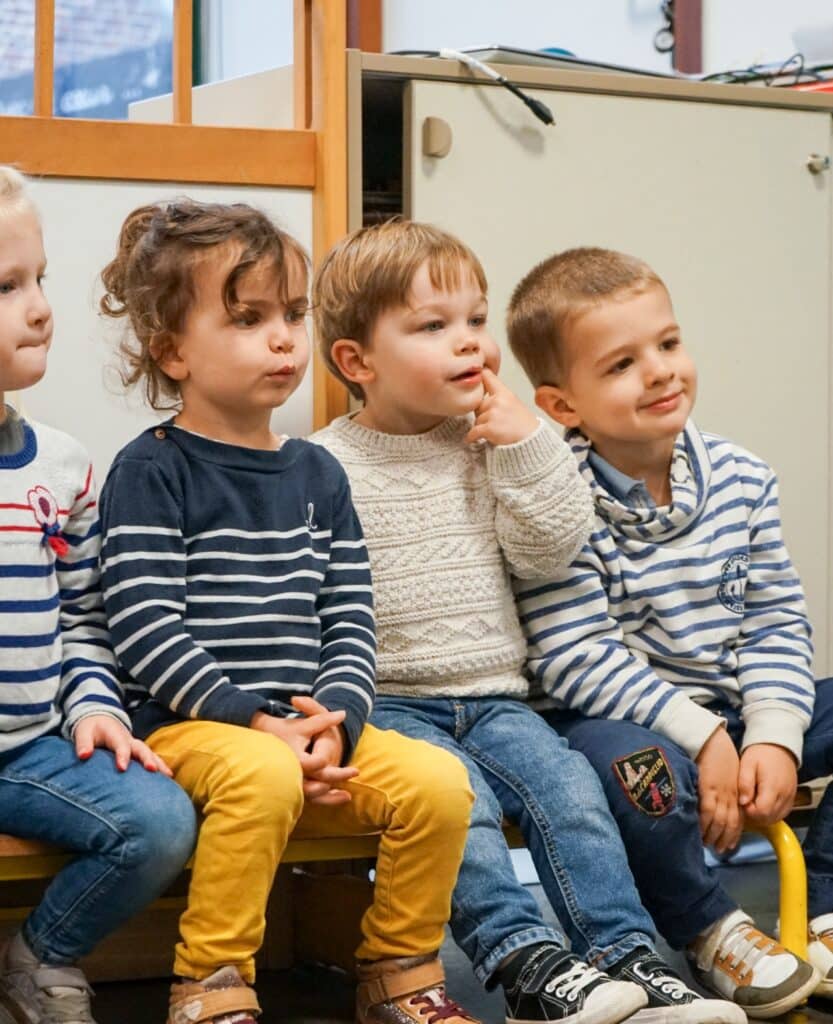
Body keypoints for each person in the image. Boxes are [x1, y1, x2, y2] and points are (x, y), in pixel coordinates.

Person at [311, 218, 744, 1024]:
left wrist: (526, 447)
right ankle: (526, 962)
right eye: (432, 327)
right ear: (357, 361)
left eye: (475, 319)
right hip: (390, 703)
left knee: (570, 793)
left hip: (497, 696)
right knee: (461, 804)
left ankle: (625, 957)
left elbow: (550, 550)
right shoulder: (323, 465)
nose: (468, 341)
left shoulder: (496, 440)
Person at [96, 198, 480, 1024]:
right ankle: (212, 984)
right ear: (171, 351)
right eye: (247, 319)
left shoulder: (317, 472)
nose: (282, 339)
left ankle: (400, 973)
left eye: (293, 315)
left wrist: (336, 721)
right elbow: (143, 625)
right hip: (191, 728)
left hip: (309, 733)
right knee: (262, 774)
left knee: (438, 784)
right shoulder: (151, 469)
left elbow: (349, 616)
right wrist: (256, 721)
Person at [507, 245, 829, 1019]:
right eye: (621, 364)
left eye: (667, 343)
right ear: (560, 405)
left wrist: (772, 735)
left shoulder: (742, 477)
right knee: (630, 772)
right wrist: (704, 740)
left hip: (736, 714)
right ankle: (707, 929)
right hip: (626, 726)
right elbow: (574, 656)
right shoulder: (552, 500)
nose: (659, 372)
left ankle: (825, 910)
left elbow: (775, 621)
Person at [0, 167, 196, 1024]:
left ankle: (40, 954)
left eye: (38, 278)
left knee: (160, 820)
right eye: (6, 288)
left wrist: (92, 707)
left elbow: (83, 617)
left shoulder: (62, 465)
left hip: (29, 749)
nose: (42, 309)